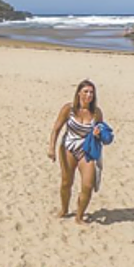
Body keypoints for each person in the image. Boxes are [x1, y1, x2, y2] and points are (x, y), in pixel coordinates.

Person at [48, 80, 105, 224]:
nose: (89, 95)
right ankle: (64, 209)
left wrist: (98, 133)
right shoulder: (69, 109)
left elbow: (103, 133)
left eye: (91, 92)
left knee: (87, 185)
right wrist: (51, 148)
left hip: (86, 150)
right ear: (79, 93)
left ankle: (79, 216)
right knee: (67, 182)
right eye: (85, 91)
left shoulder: (96, 112)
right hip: (68, 148)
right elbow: (56, 129)